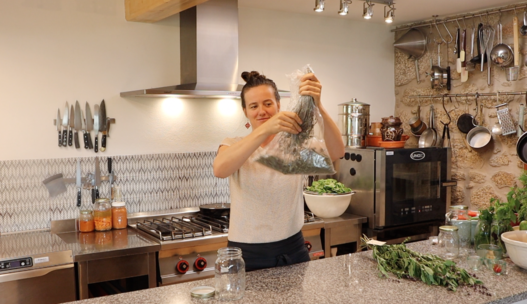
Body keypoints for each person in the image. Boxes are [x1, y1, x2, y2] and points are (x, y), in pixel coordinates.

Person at [213, 70, 344, 271]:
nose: (262, 111)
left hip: (293, 249)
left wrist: (318, 105)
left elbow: (337, 151)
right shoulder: (233, 144)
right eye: (253, 106)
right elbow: (220, 169)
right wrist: (265, 129)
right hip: (248, 254)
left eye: (267, 103)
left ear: (278, 105)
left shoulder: (295, 144)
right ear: (245, 111)